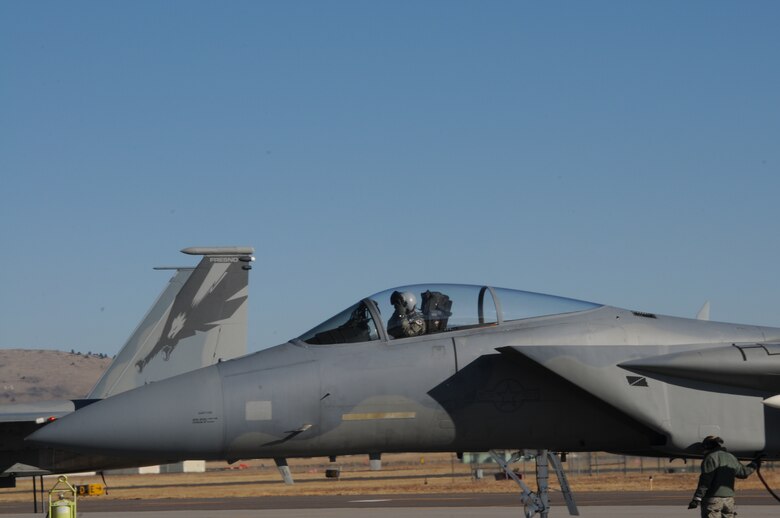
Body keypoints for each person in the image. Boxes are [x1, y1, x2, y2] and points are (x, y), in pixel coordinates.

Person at [688, 435, 761, 517]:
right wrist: (755, 462)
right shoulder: (731, 457)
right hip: (729, 500)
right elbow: (743, 473)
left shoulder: (710, 458)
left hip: (713, 500)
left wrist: (697, 498)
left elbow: (705, 481)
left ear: (707, 446)